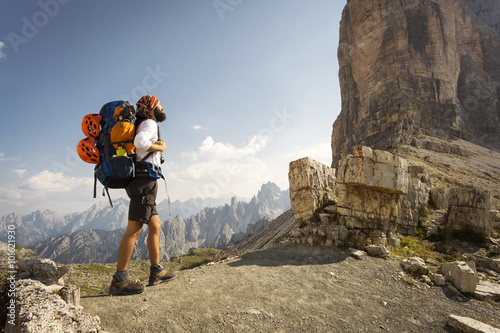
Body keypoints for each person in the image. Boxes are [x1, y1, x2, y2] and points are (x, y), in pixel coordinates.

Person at [108, 95, 175, 295]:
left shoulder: (142, 123)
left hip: (143, 180)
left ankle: (156, 271)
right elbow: (140, 142)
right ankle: (119, 281)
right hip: (144, 180)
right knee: (135, 228)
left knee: (155, 225)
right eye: (160, 104)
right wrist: (160, 147)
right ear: (152, 106)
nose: (163, 107)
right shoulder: (149, 123)